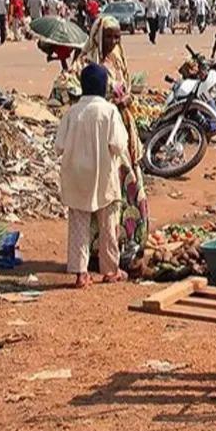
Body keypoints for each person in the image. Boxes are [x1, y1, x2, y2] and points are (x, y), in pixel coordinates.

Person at [76, 16, 150, 262]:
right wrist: (108, 102)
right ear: (98, 35)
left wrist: (127, 99)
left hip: (123, 127)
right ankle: (100, 249)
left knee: (127, 182)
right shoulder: (87, 62)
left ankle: (128, 241)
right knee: (105, 186)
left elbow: (126, 88)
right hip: (101, 130)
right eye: (109, 36)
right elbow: (77, 94)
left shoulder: (118, 60)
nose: (113, 41)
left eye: (117, 36)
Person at [55, 64, 130, 287]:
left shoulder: (72, 112)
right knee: (108, 225)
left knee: (79, 225)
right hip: (103, 175)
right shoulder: (109, 112)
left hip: (76, 175)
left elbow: (59, 146)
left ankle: (81, 274)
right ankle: (110, 270)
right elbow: (118, 144)